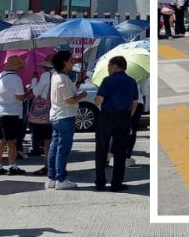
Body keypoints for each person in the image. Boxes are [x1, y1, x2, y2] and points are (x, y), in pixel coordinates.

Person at [94, 56, 139, 191]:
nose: (108, 68)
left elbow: (99, 100)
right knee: (120, 153)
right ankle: (116, 184)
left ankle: (100, 182)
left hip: (107, 117)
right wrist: (127, 117)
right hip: (124, 117)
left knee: (101, 150)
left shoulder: (107, 81)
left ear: (115, 65)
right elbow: (135, 103)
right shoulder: (132, 81)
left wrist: (96, 99)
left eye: (109, 65)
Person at [47, 51, 87, 190]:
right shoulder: (62, 78)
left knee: (55, 147)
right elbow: (70, 100)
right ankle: (61, 178)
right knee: (63, 149)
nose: (73, 63)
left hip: (57, 116)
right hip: (65, 116)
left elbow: (70, 92)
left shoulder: (58, 76)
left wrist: (79, 82)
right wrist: (82, 96)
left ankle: (52, 177)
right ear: (64, 62)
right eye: (71, 61)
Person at [0, 55, 27, 176]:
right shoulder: (15, 78)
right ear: (17, 68)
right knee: (12, 141)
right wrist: (28, 92)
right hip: (11, 112)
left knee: (0, 139)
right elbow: (20, 97)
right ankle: (13, 166)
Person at [27, 55, 55, 176]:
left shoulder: (45, 75)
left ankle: (48, 166)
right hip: (54, 109)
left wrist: (34, 80)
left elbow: (36, 92)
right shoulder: (57, 75)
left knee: (46, 142)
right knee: (49, 140)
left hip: (44, 110)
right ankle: (50, 165)